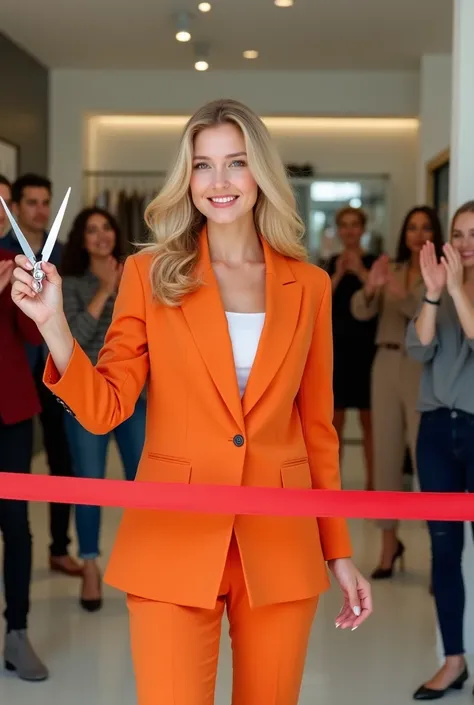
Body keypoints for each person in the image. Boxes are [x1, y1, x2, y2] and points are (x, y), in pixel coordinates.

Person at [11, 98, 372, 705]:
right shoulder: (150, 273)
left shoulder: (309, 284)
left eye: (236, 163)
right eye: (203, 166)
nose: (220, 182)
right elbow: (105, 408)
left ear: (261, 173)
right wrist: (53, 327)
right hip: (173, 537)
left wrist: (337, 551)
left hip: (279, 542)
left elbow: (317, 431)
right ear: (188, 178)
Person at [351, 207, 444, 580]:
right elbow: (360, 311)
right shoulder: (390, 269)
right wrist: (372, 286)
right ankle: (389, 546)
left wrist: (401, 293)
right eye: (411, 227)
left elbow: (425, 314)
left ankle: (441, 552)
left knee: (428, 461)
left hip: (422, 369)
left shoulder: (439, 272)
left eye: (425, 228)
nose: (418, 234)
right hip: (385, 363)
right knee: (385, 457)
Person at [60, 207, 146, 611]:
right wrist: (105, 289)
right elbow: (74, 339)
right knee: (89, 485)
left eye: (106, 228)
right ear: (82, 239)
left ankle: (145, 564)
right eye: (91, 230)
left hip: (137, 399)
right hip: (87, 399)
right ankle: (91, 566)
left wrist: (121, 283)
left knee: (145, 483)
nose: (101, 236)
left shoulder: (137, 275)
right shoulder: (71, 284)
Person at [406, 201, 474, 701]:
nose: (466, 242)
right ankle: (453, 662)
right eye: (459, 233)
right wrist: (433, 294)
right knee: (444, 551)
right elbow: (418, 349)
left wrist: (455, 290)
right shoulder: (437, 287)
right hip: (435, 432)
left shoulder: (461, 290)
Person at [2, 174, 81, 577]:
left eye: (45, 202)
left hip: (55, 369)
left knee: (61, 457)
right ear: (15, 207)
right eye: (31, 202)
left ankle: (59, 547)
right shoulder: (3, 250)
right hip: (15, 375)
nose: (40, 209)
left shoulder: (63, 252)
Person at [0, 234, 48, 678]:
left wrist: (28, 294)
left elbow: (34, 336)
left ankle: (17, 632)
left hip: (11, 412)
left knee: (16, 525)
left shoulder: (9, 261)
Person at [326, 207, 377, 491]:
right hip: (337, 353)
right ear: (339, 230)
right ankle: (335, 487)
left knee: (371, 424)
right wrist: (338, 275)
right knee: (335, 426)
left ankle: (372, 485)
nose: (349, 230)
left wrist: (360, 271)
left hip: (368, 352)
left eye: (354, 225)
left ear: (362, 229)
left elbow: (379, 300)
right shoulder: (330, 263)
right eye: (344, 225)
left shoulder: (374, 263)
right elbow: (317, 301)